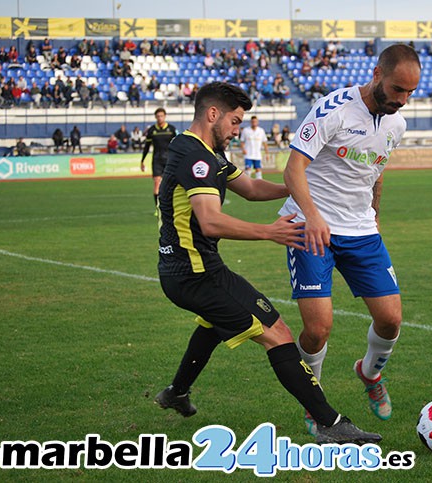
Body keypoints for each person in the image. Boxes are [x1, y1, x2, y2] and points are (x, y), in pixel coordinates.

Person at [153, 81, 381, 445]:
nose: (237, 130)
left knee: (214, 325)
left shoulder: (207, 153)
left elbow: (251, 188)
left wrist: (301, 186)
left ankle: (176, 392)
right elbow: (210, 220)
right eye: (235, 122)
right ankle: (330, 423)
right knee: (277, 334)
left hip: (195, 271)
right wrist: (269, 232)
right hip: (193, 274)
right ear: (213, 114)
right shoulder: (196, 157)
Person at [279, 43, 421, 435]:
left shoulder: (397, 124)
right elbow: (292, 170)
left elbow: (375, 171)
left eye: (410, 92)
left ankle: (370, 374)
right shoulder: (333, 109)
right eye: (397, 90)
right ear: (377, 73)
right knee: (318, 328)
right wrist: (312, 217)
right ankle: (316, 404)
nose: (403, 100)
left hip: (361, 231)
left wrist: (374, 214)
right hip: (310, 226)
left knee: (391, 319)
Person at [140, 108, 178, 210]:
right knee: (157, 182)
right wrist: (142, 160)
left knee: (172, 184)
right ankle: (158, 208)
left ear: (165, 116)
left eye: (161, 116)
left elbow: (178, 144)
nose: (160, 118)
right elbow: (147, 147)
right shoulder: (152, 130)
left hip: (170, 160)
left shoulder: (172, 129)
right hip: (157, 160)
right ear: (155, 117)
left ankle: (171, 206)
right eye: (158, 116)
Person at [239, 115, 269, 179]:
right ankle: (247, 185)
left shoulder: (261, 131)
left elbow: (265, 143)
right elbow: (241, 141)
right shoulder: (246, 130)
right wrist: (243, 149)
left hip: (257, 155)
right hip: (248, 155)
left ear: (257, 122)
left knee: (258, 170)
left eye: (255, 121)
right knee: (248, 171)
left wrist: (267, 153)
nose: (254, 123)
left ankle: (259, 185)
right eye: (253, 121)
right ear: (250, 122)